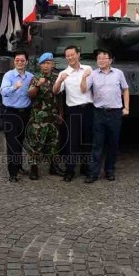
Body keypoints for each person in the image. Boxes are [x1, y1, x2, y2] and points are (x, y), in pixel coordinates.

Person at [81, 49, 130, 183]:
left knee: (113, 143)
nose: (101, 61)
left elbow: (125, 89)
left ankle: (110, 170)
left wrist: (126, 107)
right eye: (99, 58)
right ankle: (93, 173)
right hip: (99, 113)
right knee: (97, 144)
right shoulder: (93, 74)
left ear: (110, 60)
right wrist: (84, 77)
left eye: (104, 58)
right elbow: (84, 89)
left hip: (115, 112)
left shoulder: (118, 73)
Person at [53, 45, 94, 182]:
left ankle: (86, 167)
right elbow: (56, 91)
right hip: (73, 110)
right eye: (67, 55)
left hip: (88, 108)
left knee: (87, 141)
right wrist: (60, 80)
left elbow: (86, 89)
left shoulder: (88, 69)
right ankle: (70, 170)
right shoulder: (64, 73)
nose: (70, 57)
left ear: (78, 55)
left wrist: (83, 77)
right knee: (73, 142)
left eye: (72, 54)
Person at [26, 52, 65, 180]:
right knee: (36, 144)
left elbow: (59, 97)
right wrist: (38, 84)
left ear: (52, 64)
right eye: (44, 63)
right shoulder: (36, 77)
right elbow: (30, 95)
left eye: (49, 63)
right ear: (40, 65)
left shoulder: (56, 77)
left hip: (53, 117)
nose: (46, 66)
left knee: (54, 143)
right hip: (39, 118)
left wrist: (60, 114)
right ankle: (34, 168)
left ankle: (53, 167)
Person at [0, 50, 34, 182]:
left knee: (20, 141)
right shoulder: (9, 76)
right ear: (14, 62)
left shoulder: (30, 76)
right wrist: (15, 87)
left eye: (22, 60)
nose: (20, 62)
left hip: (25, 113)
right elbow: (3, 91)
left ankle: (19, 166)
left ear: (27, 62)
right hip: (11, 113)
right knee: (12, 144)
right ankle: (12, 173)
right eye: (17, 60)